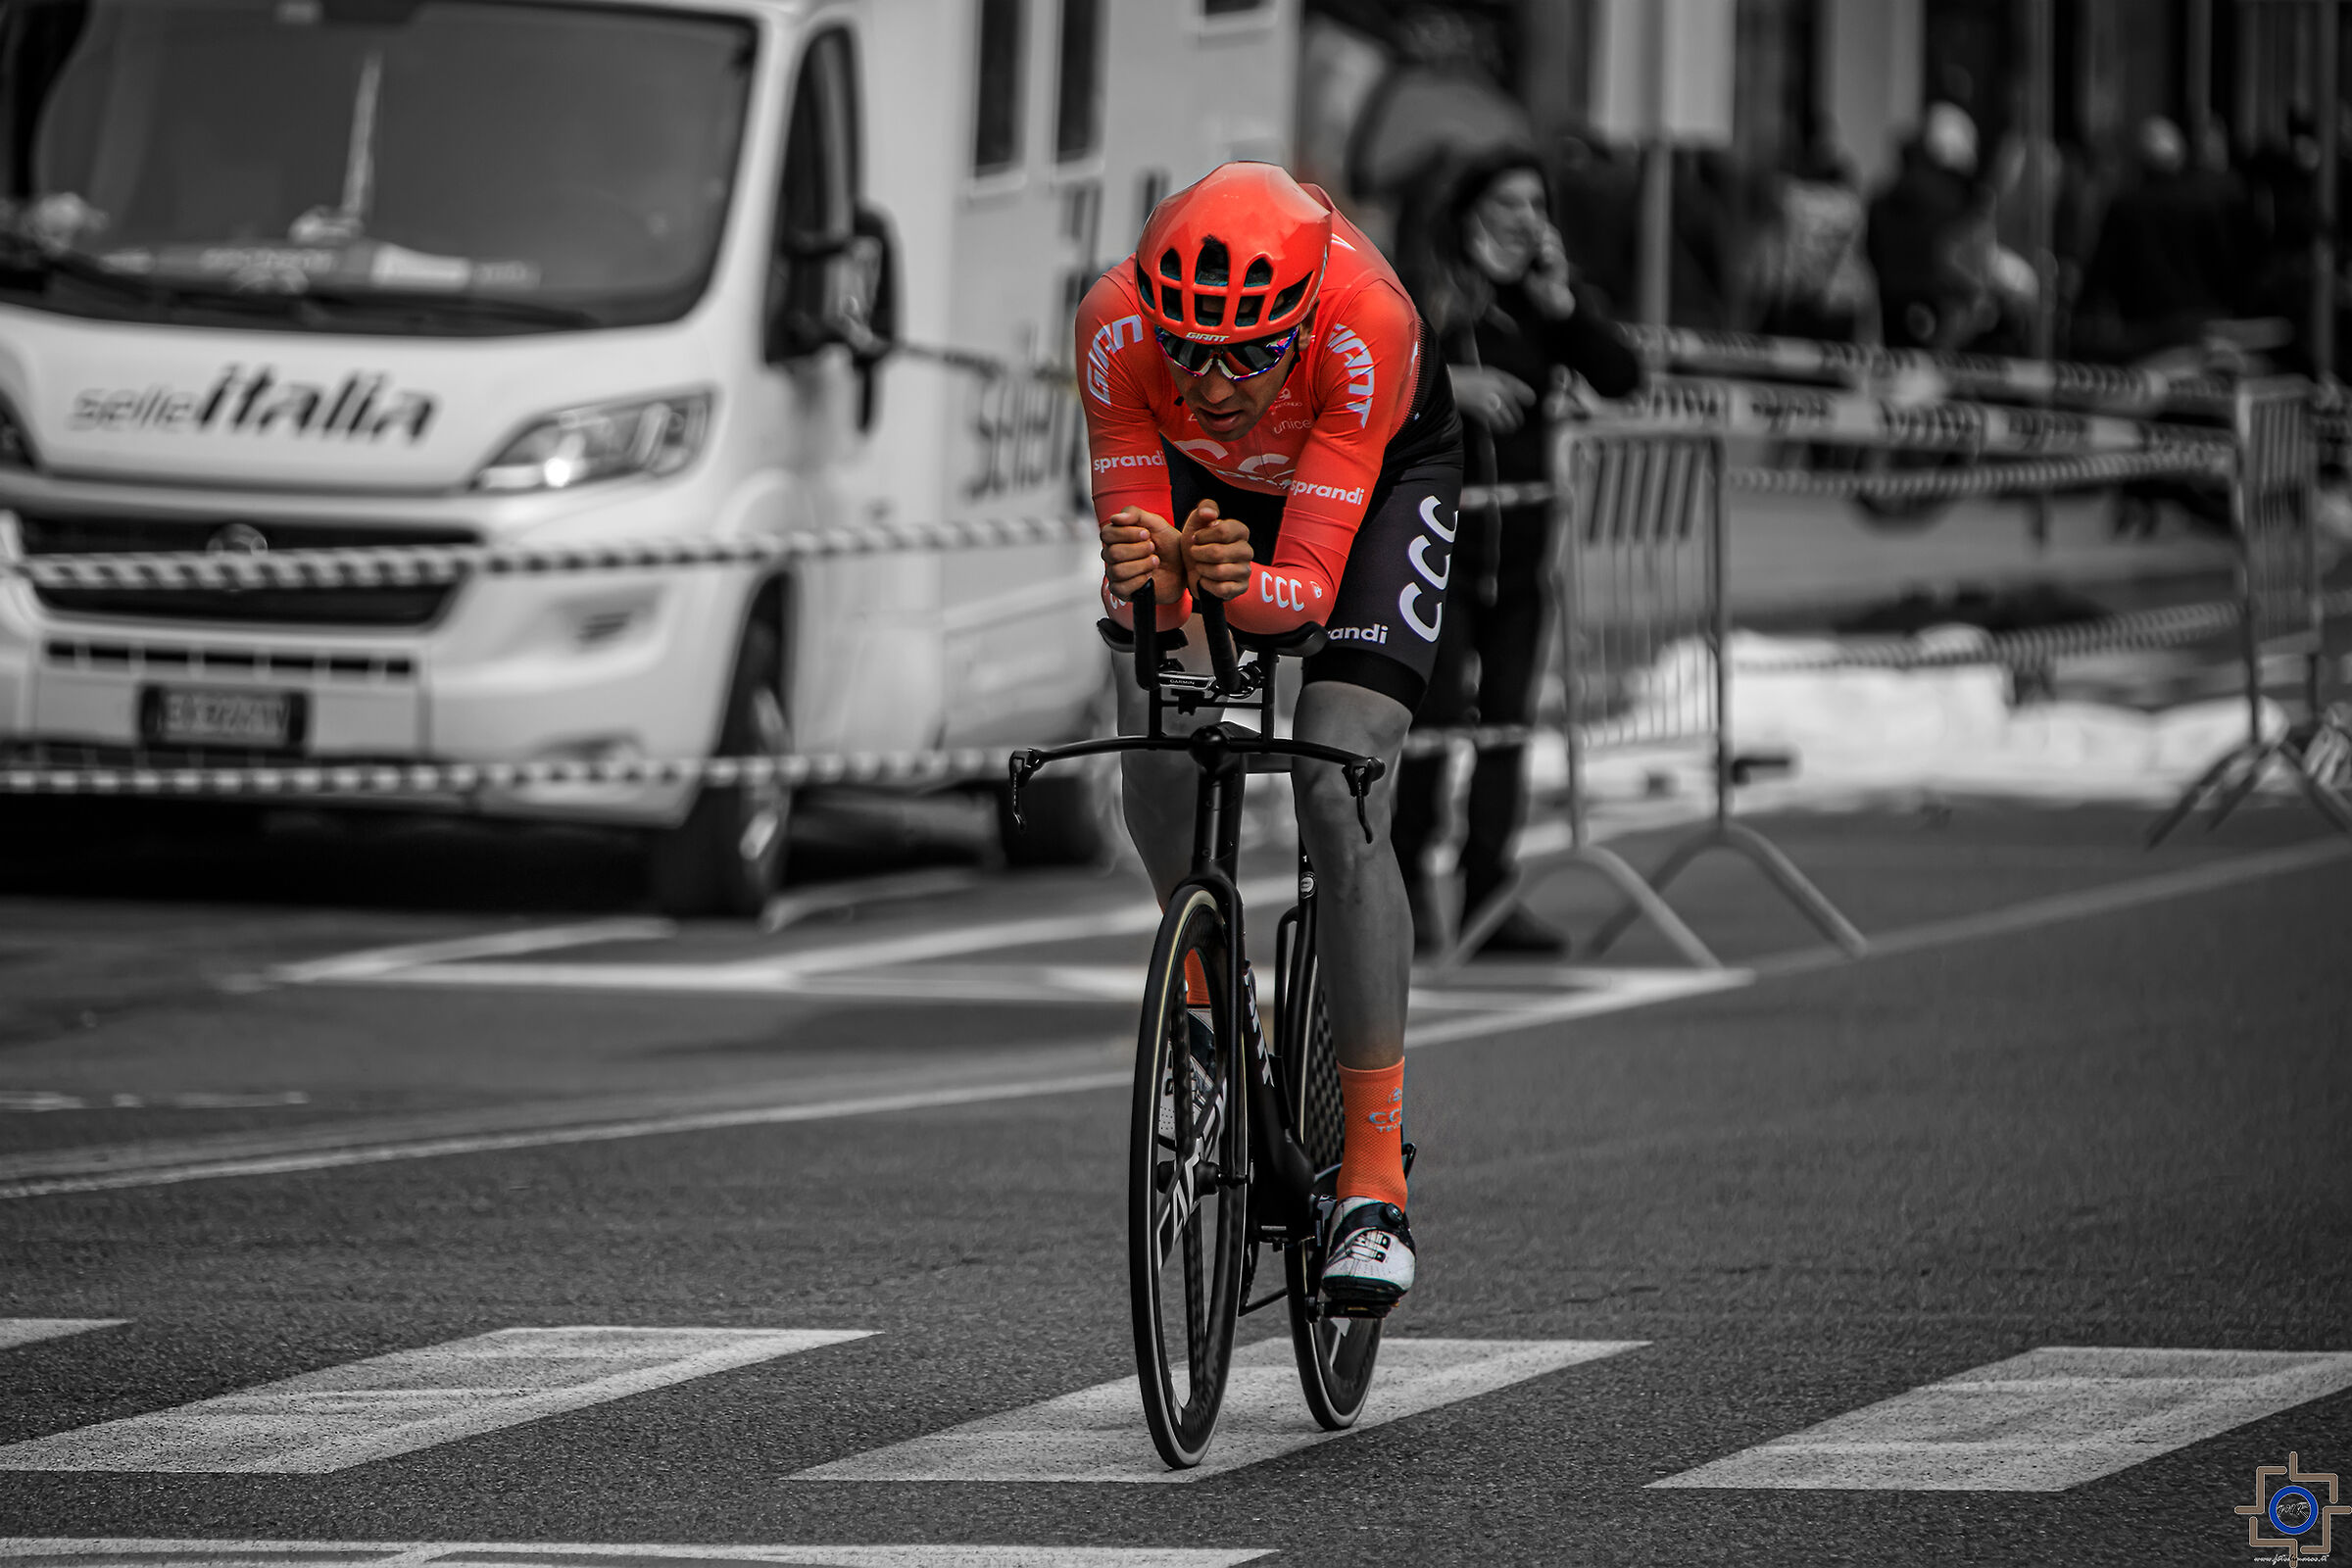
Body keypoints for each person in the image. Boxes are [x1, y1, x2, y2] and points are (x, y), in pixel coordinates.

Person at [1077, 162, 1464, 1311]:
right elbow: (1142, 575)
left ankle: (1375, 1180)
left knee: (1341, 781)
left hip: (1373, 485)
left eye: (1247, 354)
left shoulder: (1366, 325)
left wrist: (1226, 585)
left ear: (1297, 324)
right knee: (1159, 716)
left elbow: (1300, 599)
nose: (1212, 381)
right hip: (1212, 495)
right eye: (1188, 349)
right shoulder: (1112, 327)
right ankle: (1205, 1017)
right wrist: (1160, 584)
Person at [1390, 148, 1642, 956]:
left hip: (1522, 555)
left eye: (1537, 205)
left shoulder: (1539, 305)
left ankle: (1489, 897)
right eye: (1509, 204)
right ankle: (1402, 891)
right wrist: (1450, 388)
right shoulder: (1426, 292)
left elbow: (1623, 375)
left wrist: (1566, 306)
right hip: (1434, 552)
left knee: (1506, 728)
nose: (1527, 221)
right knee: (1434, 724)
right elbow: (1367, 380)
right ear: (1469, 211)